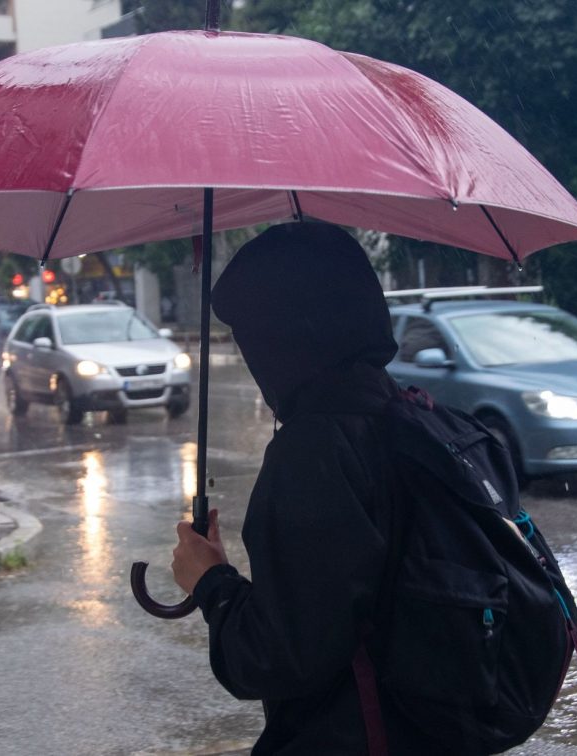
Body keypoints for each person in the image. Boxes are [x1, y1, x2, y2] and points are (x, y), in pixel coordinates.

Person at [171, 222, 434, 753]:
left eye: (251, 334)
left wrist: (211, 584)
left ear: (285, 334)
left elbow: (276, 659)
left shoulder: (317, 452)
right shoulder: (418, 416)